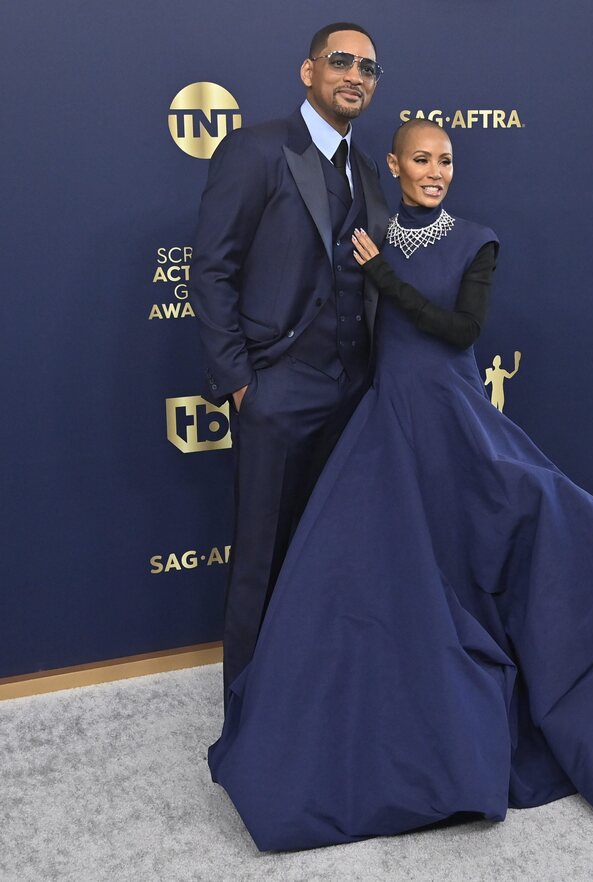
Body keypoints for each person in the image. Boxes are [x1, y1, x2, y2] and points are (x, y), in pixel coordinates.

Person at [208, 120, 593, 851]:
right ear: (395, 166)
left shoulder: (474, 238)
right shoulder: (371, 225)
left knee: (526, 527)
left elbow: (459, 331)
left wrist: (380, 274)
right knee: (366, 573)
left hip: (453, 415)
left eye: (445, 159)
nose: (435, 170)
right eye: (421, 159)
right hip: (385, 419)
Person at [191, 24, 390, 699]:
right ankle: (248, 714)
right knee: (259, 561)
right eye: (341, 60)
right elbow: (212, 271)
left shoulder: (368, 175)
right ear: (308, 72)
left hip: (352, 395)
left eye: (368, 67)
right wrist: (243, 384)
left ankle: (310, 700)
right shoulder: (255, 149)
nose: (355, 75)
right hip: (276, 391)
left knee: (329, 556)